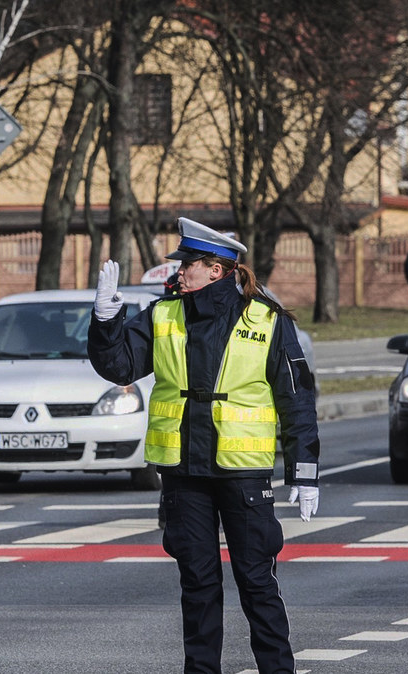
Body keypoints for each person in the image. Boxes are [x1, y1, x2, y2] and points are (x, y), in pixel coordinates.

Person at [89, 217, 321, 674]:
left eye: (188, 265)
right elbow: (118, 367)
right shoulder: (163, 314)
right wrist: (105, 320)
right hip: (184, 473)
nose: (179, 272)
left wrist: (305, 471)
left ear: (216, 269)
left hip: (243, 474)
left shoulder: (265, 319)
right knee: (197, 584)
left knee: (256, 582)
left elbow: (296, 399)